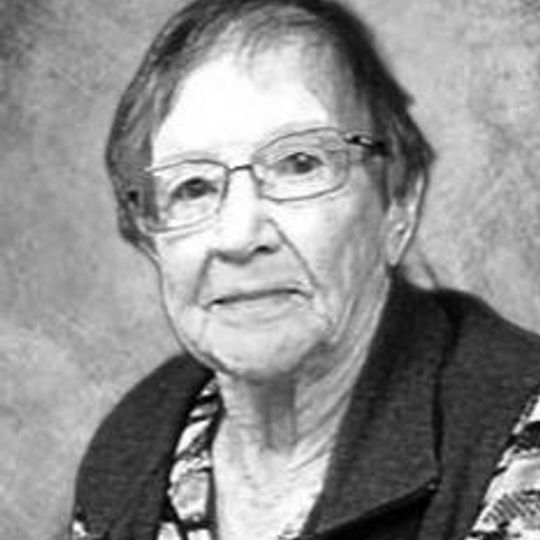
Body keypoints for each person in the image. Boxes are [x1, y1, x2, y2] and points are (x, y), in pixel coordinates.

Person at [68, 0, 540, 539]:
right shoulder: (136, 442)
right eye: (192, 187)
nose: (239, 236)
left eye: (299, 164)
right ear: (149, 237)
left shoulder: (518, 435)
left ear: (398, 202)